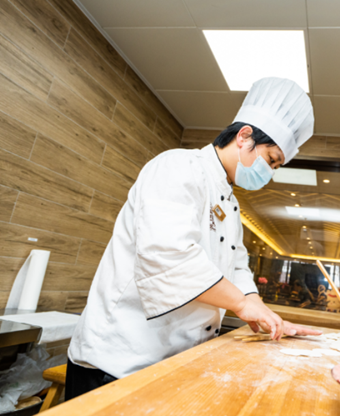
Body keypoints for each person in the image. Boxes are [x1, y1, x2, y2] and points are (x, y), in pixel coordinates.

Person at [66, 77, 321, 400]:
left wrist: (264, 312)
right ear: (244, 137)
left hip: (169, 362)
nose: (269, 174)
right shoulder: (177, 167)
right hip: (117, 360)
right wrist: (241, 305)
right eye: (271, 160)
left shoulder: (230, 206)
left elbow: (237, 267)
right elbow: (170, 255)